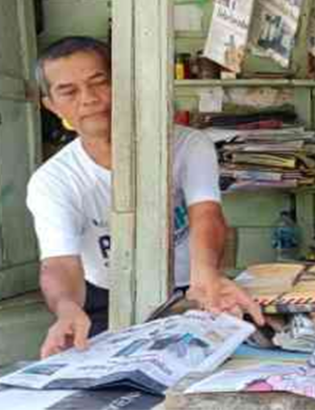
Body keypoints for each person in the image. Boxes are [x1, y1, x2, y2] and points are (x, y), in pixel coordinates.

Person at [26, 36, 263, 359]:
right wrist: (67, 308)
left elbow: (206, 213)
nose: (90, 99)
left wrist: (206, 273)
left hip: (190, 289)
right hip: (104, 299)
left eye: (100, 83)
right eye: (69, 91)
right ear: (51, 105)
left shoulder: (188, 146)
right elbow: (59, 263)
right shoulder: (53, 181)